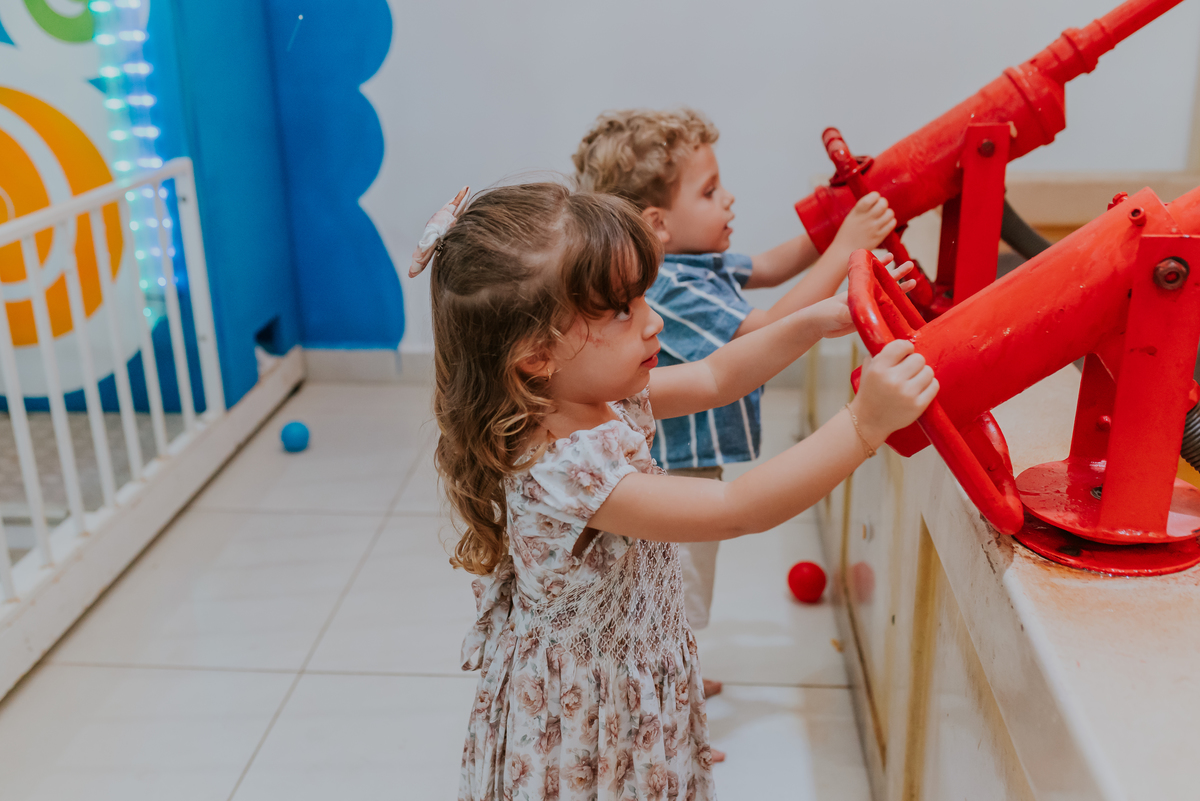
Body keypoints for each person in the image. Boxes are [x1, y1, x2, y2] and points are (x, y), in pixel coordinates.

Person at [412, 182, 934, 801]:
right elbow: (734, 510)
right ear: (536, 355)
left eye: (641, 297)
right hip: (586, 719)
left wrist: (818, 320)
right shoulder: (567, 467)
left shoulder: (594, 397)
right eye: (621, 311)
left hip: (628, 678)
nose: (653, 320)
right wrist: (863, 424)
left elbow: (717, 375)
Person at [572, 109, 896, 671]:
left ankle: (673, 675)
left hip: (694, 458)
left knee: (686, 578)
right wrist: (849, 246)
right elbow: (765, 328)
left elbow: (771, 264)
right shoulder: (669, 281)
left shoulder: (699, 258)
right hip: (675, 464)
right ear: (658, 224)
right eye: (709, 191)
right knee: (678, 581)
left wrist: (832, 219)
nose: (729, 200)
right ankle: (667, 688)